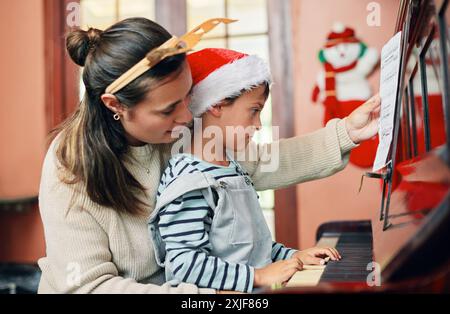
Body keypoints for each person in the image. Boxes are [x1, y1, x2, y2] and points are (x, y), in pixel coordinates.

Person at [38, 17, 380, 294]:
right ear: (116, 106)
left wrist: (347, 132)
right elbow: (90, 287)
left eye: (189, 96)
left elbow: (258, 163)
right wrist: (226, 290)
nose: (187, 117)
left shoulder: (176, 131)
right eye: (169, 108)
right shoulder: (69, 167)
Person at [149, 48, 342, 293]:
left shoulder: (231, 167)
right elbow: (185, 265)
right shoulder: (190, 181)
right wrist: (258, 276)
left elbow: (251, 246)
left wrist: (295, 257)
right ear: (217, 104)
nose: (259, 125)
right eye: (254, 110)